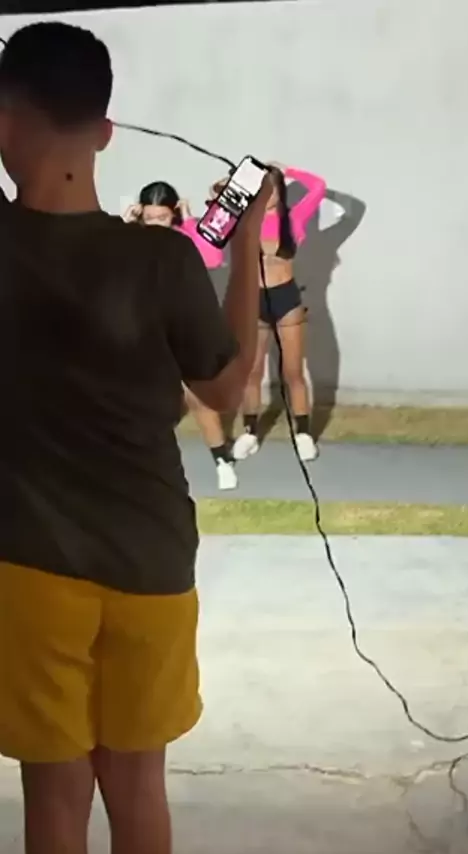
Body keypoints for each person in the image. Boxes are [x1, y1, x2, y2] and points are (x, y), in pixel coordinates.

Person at [0, 21, 270, 854]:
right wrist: (249, 241)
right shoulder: (162, 261)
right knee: (137, 785)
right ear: (107, 132)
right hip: (151, 560)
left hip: (28, 566)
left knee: (55, 795)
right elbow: (228, 388)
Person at [124, 182, 238, 491]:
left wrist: (188, 220)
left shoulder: (184, 237)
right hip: (146, 328)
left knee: (198, 398)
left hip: (183, 327)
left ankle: (221, 460)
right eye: (150, 217)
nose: (155, 224)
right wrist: (126, 224)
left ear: (172, 213)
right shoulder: (132, 239)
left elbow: (211, 258)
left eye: (161, 217)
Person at [214, 163, 326, 463]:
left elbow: (318, 187)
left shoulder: (294, 218)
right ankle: (250, 432)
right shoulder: (242, 218)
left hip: (286, 298)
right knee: (251, 372)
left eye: (272, 190)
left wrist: (287, 169)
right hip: (253, 301)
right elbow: (216, 191)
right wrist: (244, 176)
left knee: (293, 371)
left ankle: (303, 434)